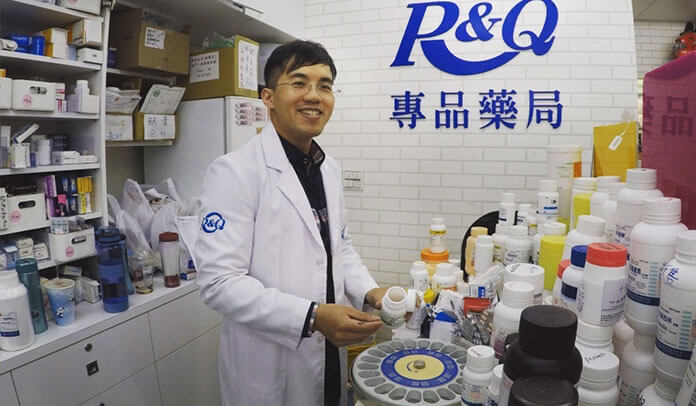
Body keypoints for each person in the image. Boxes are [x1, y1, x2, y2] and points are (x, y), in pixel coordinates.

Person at [195, 40, 393, 406]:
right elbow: (219, 283)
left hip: (326, 350)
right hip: (269, 361)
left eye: (325, 86)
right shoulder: (235, 172)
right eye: (299, 83)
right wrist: (313, 317)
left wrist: (370, 291)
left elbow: (340, 247)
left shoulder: (328, 169)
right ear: (268, 97)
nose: (314, 96)